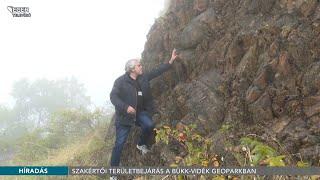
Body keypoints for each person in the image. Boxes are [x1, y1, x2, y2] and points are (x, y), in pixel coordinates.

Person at [109, 49, 179, 168]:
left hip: (140, 112)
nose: (141, 67)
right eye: (139, 65)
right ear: (132, 69)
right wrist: (126, 107)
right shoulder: (120, 81)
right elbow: (113, 97)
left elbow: (157, 72)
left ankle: (141, 144)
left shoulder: (143, 77)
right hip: (124, 118)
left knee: (149, 125)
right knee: (119, 144)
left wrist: (170, 61)